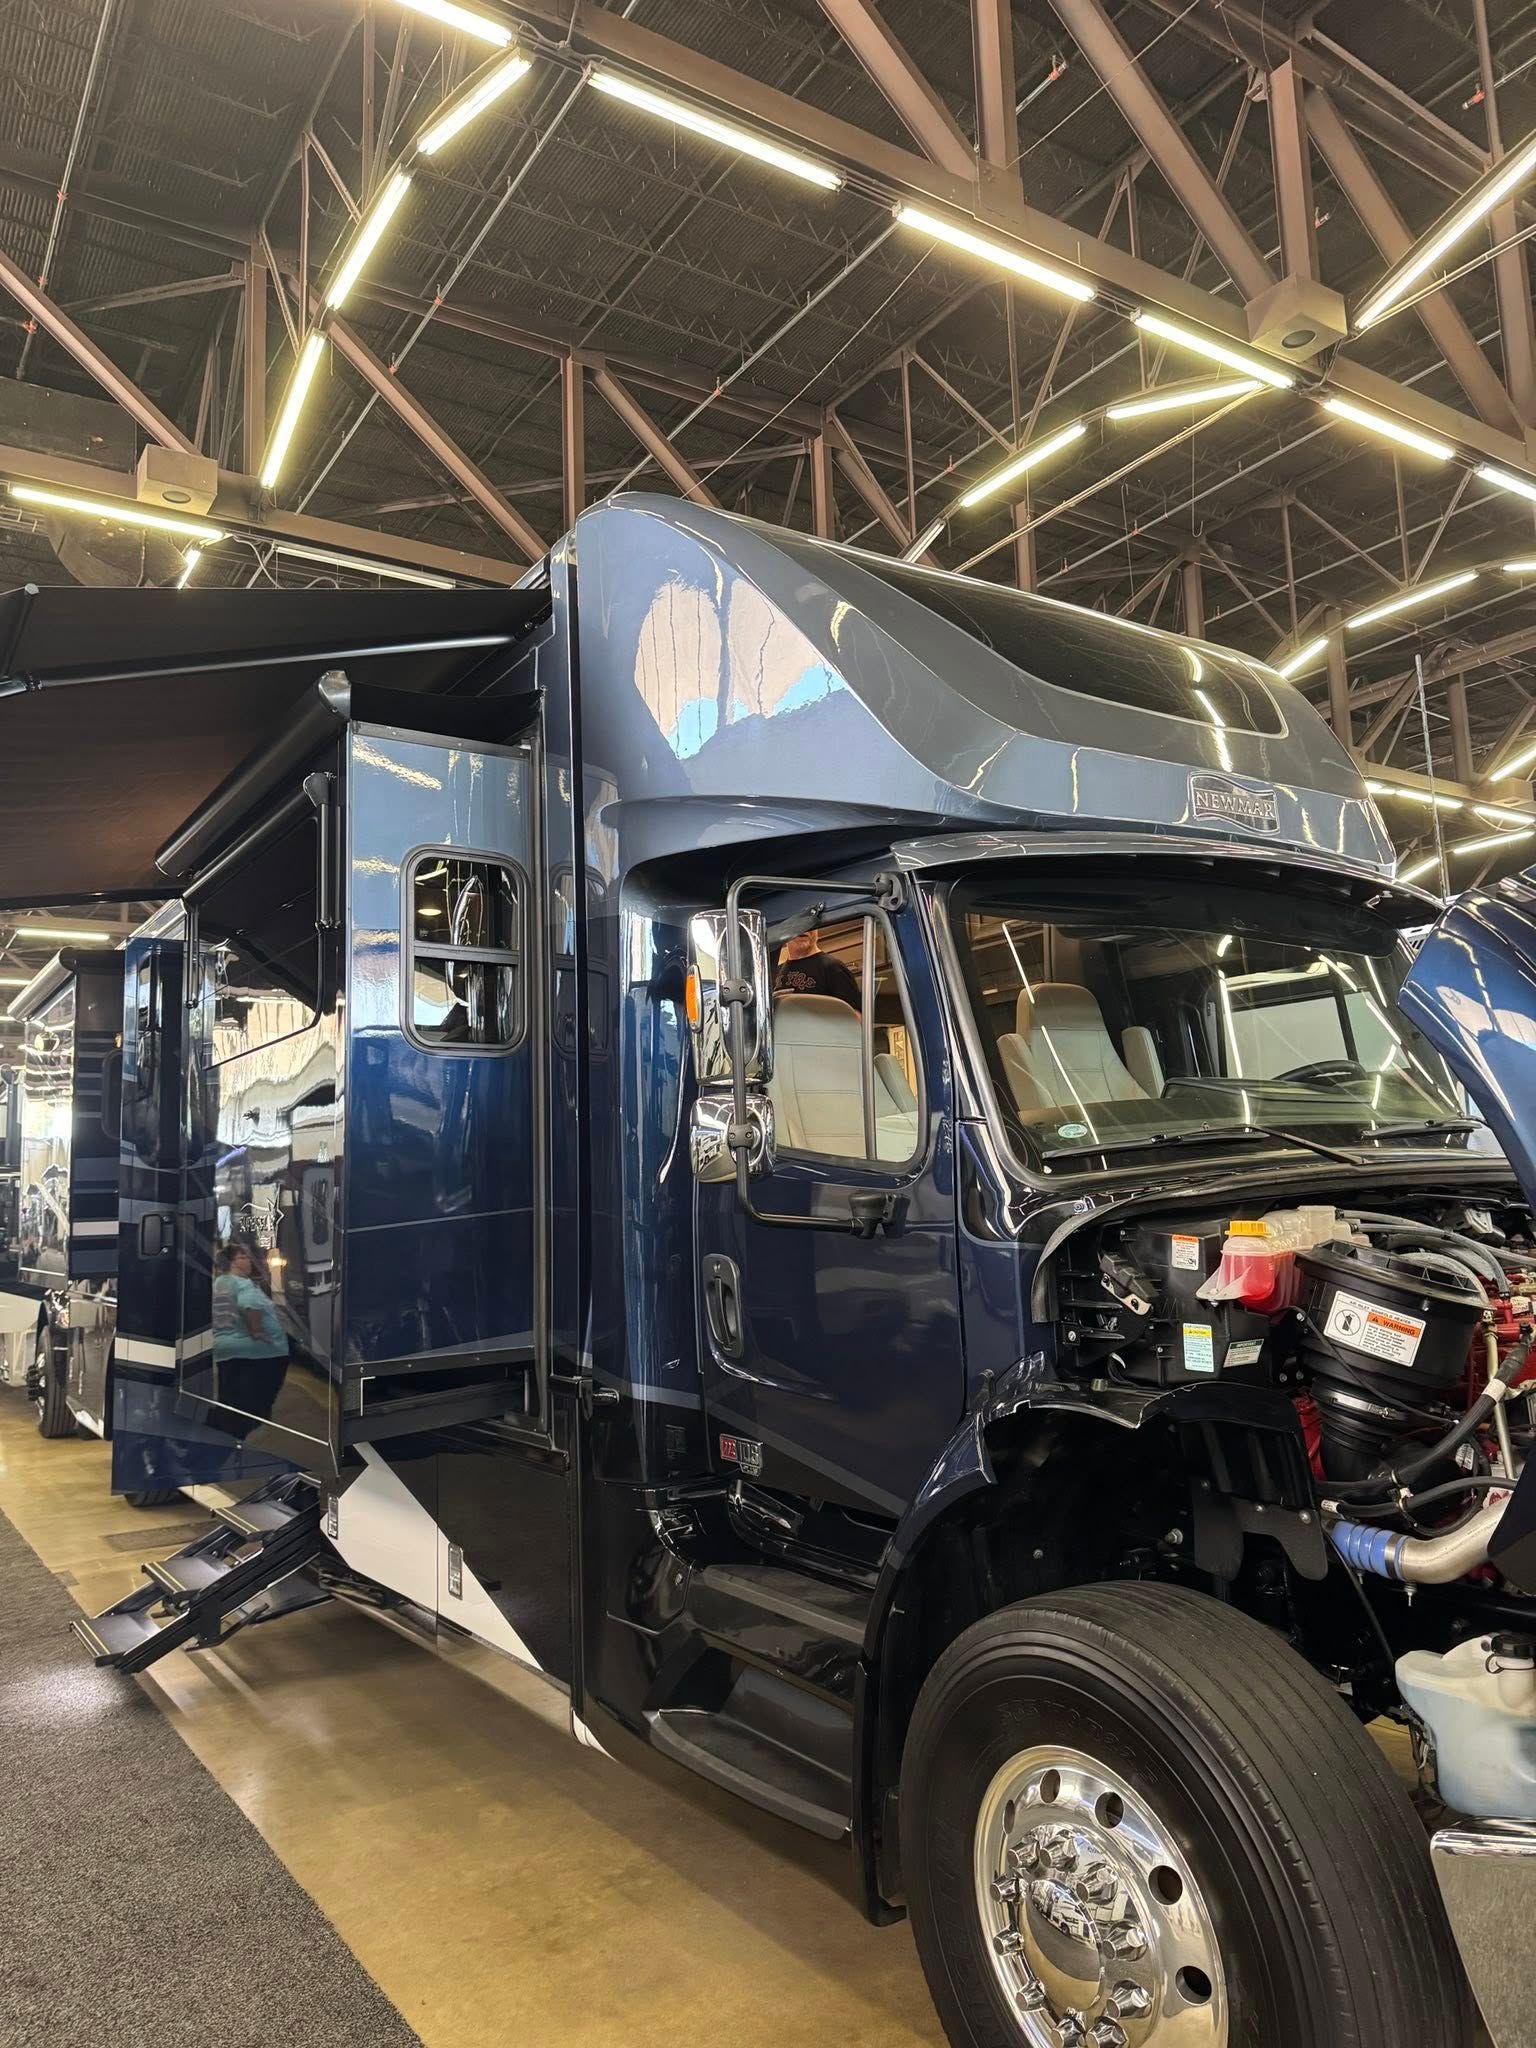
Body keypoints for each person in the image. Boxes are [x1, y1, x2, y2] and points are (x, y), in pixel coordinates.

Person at [210, 1242, 288, 1434]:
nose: (248, 1260)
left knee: (232, 1401)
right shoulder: (241, 1283)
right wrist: (257, 1331)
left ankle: (227, 1436)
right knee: (254, 1404)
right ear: (232, 1263)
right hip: (256, 1353)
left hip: (226, 1350)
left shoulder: (219, 1283)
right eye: (243, 1257)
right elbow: (249, 1305)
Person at [773, 928, 861, 1007]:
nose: (804, 929)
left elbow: (856, 1017)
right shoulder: (774, 972)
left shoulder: (833, 968)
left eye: (810, 925)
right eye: (799, 925)